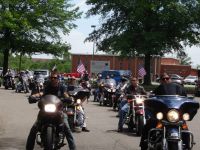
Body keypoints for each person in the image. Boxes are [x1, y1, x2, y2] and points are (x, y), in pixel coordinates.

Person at [26, 72, 76, 150]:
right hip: (45, 110)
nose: (53, 79)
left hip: (59, 111)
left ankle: (73, 148)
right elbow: (41, 93)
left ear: (58, 79)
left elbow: (65, 94)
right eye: (51, 78)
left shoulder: (61, 87)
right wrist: (33, 96)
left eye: (55, 78)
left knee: (67, 130)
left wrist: (69, 98)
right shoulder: (47, 87)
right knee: (34, 129)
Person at [140, 73, 187, 150]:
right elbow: (152, 96)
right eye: (163, 79)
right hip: (162, 115)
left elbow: (185, 98)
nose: (165, 80)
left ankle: (187, 144)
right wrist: (149, 98)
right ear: (160, 81)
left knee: (185, 128)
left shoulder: (178, 88)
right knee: (148, 126)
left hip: (175, 115)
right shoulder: (159, 88)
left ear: (170, 79)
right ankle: (143, 145)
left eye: (167, 78)